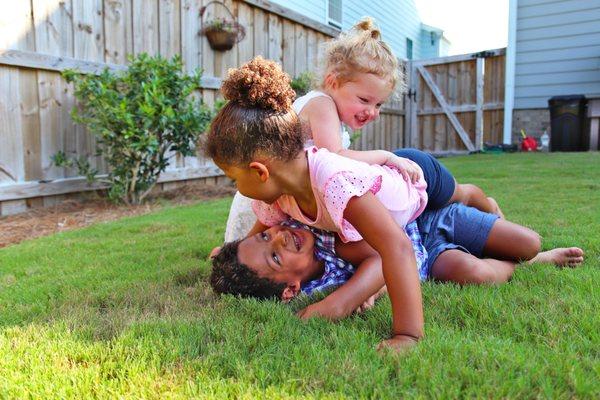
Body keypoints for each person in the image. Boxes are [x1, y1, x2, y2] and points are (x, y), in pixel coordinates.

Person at [204, 56, 506, 351]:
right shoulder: (281, 195)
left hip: (413, 180)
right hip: (402, 221)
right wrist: (231, 253)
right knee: (473, 270)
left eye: (234, 178)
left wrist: (406, 334)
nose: (237, 188)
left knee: (461, 194)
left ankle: (487, 204)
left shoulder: (334, 182)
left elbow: (396, 247)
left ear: (259, 172)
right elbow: (264, 228)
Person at [210, 203, 585, 326]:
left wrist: (339, 303)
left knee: (527, 240)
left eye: (264, 237)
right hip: (429, 261)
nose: (277, 237)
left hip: (430, 220)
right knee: (474, 274)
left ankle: (487, 209)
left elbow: (377, 259)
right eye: (275, 256)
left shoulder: (314, 232)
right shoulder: (311, 283)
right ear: (291, 289)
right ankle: (534, 263)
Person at [223, 17, 422, 243]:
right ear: (333, 81)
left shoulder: (320, 106)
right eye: (364, 99)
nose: (372, 111)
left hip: (280, 197)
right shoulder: (322, 104)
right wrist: (386, 157)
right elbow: (337, 156)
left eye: (378, 104)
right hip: (268, 198)